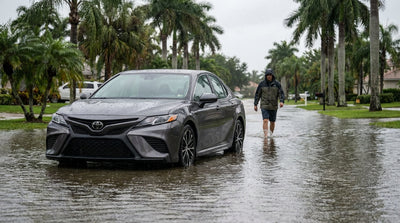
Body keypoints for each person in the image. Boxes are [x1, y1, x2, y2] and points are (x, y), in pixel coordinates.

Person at [254, 68, 284, 137]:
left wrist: (281, 101)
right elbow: (257, 94)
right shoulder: (262, 84)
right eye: (267, 75)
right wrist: (255, 104)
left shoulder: (277, 84)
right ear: (266, 76)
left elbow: (281, 93)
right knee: (265, 120)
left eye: (270, 75)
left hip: (273, 106)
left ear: (272, 75)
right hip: (264, 105)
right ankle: (265, 136)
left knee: (272, 122)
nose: (269, 76)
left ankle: (271, 135)